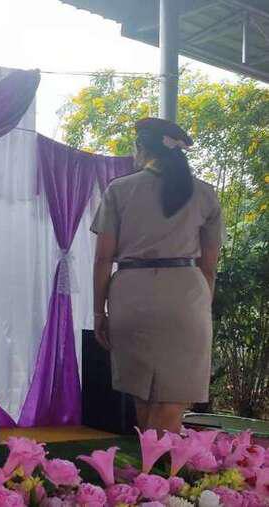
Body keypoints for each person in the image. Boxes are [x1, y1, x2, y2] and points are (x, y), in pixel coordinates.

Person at [91, 117, 224, 434]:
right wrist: (199, 307)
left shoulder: (119, 190)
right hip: (185, 296)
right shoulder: (205, 194)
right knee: (172, 403)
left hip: (131, 296)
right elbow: (208, 266)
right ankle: (162, 466)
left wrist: (99, 312)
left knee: (142, 398)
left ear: (141, 148)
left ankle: (151, 464)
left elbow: (103, 259)